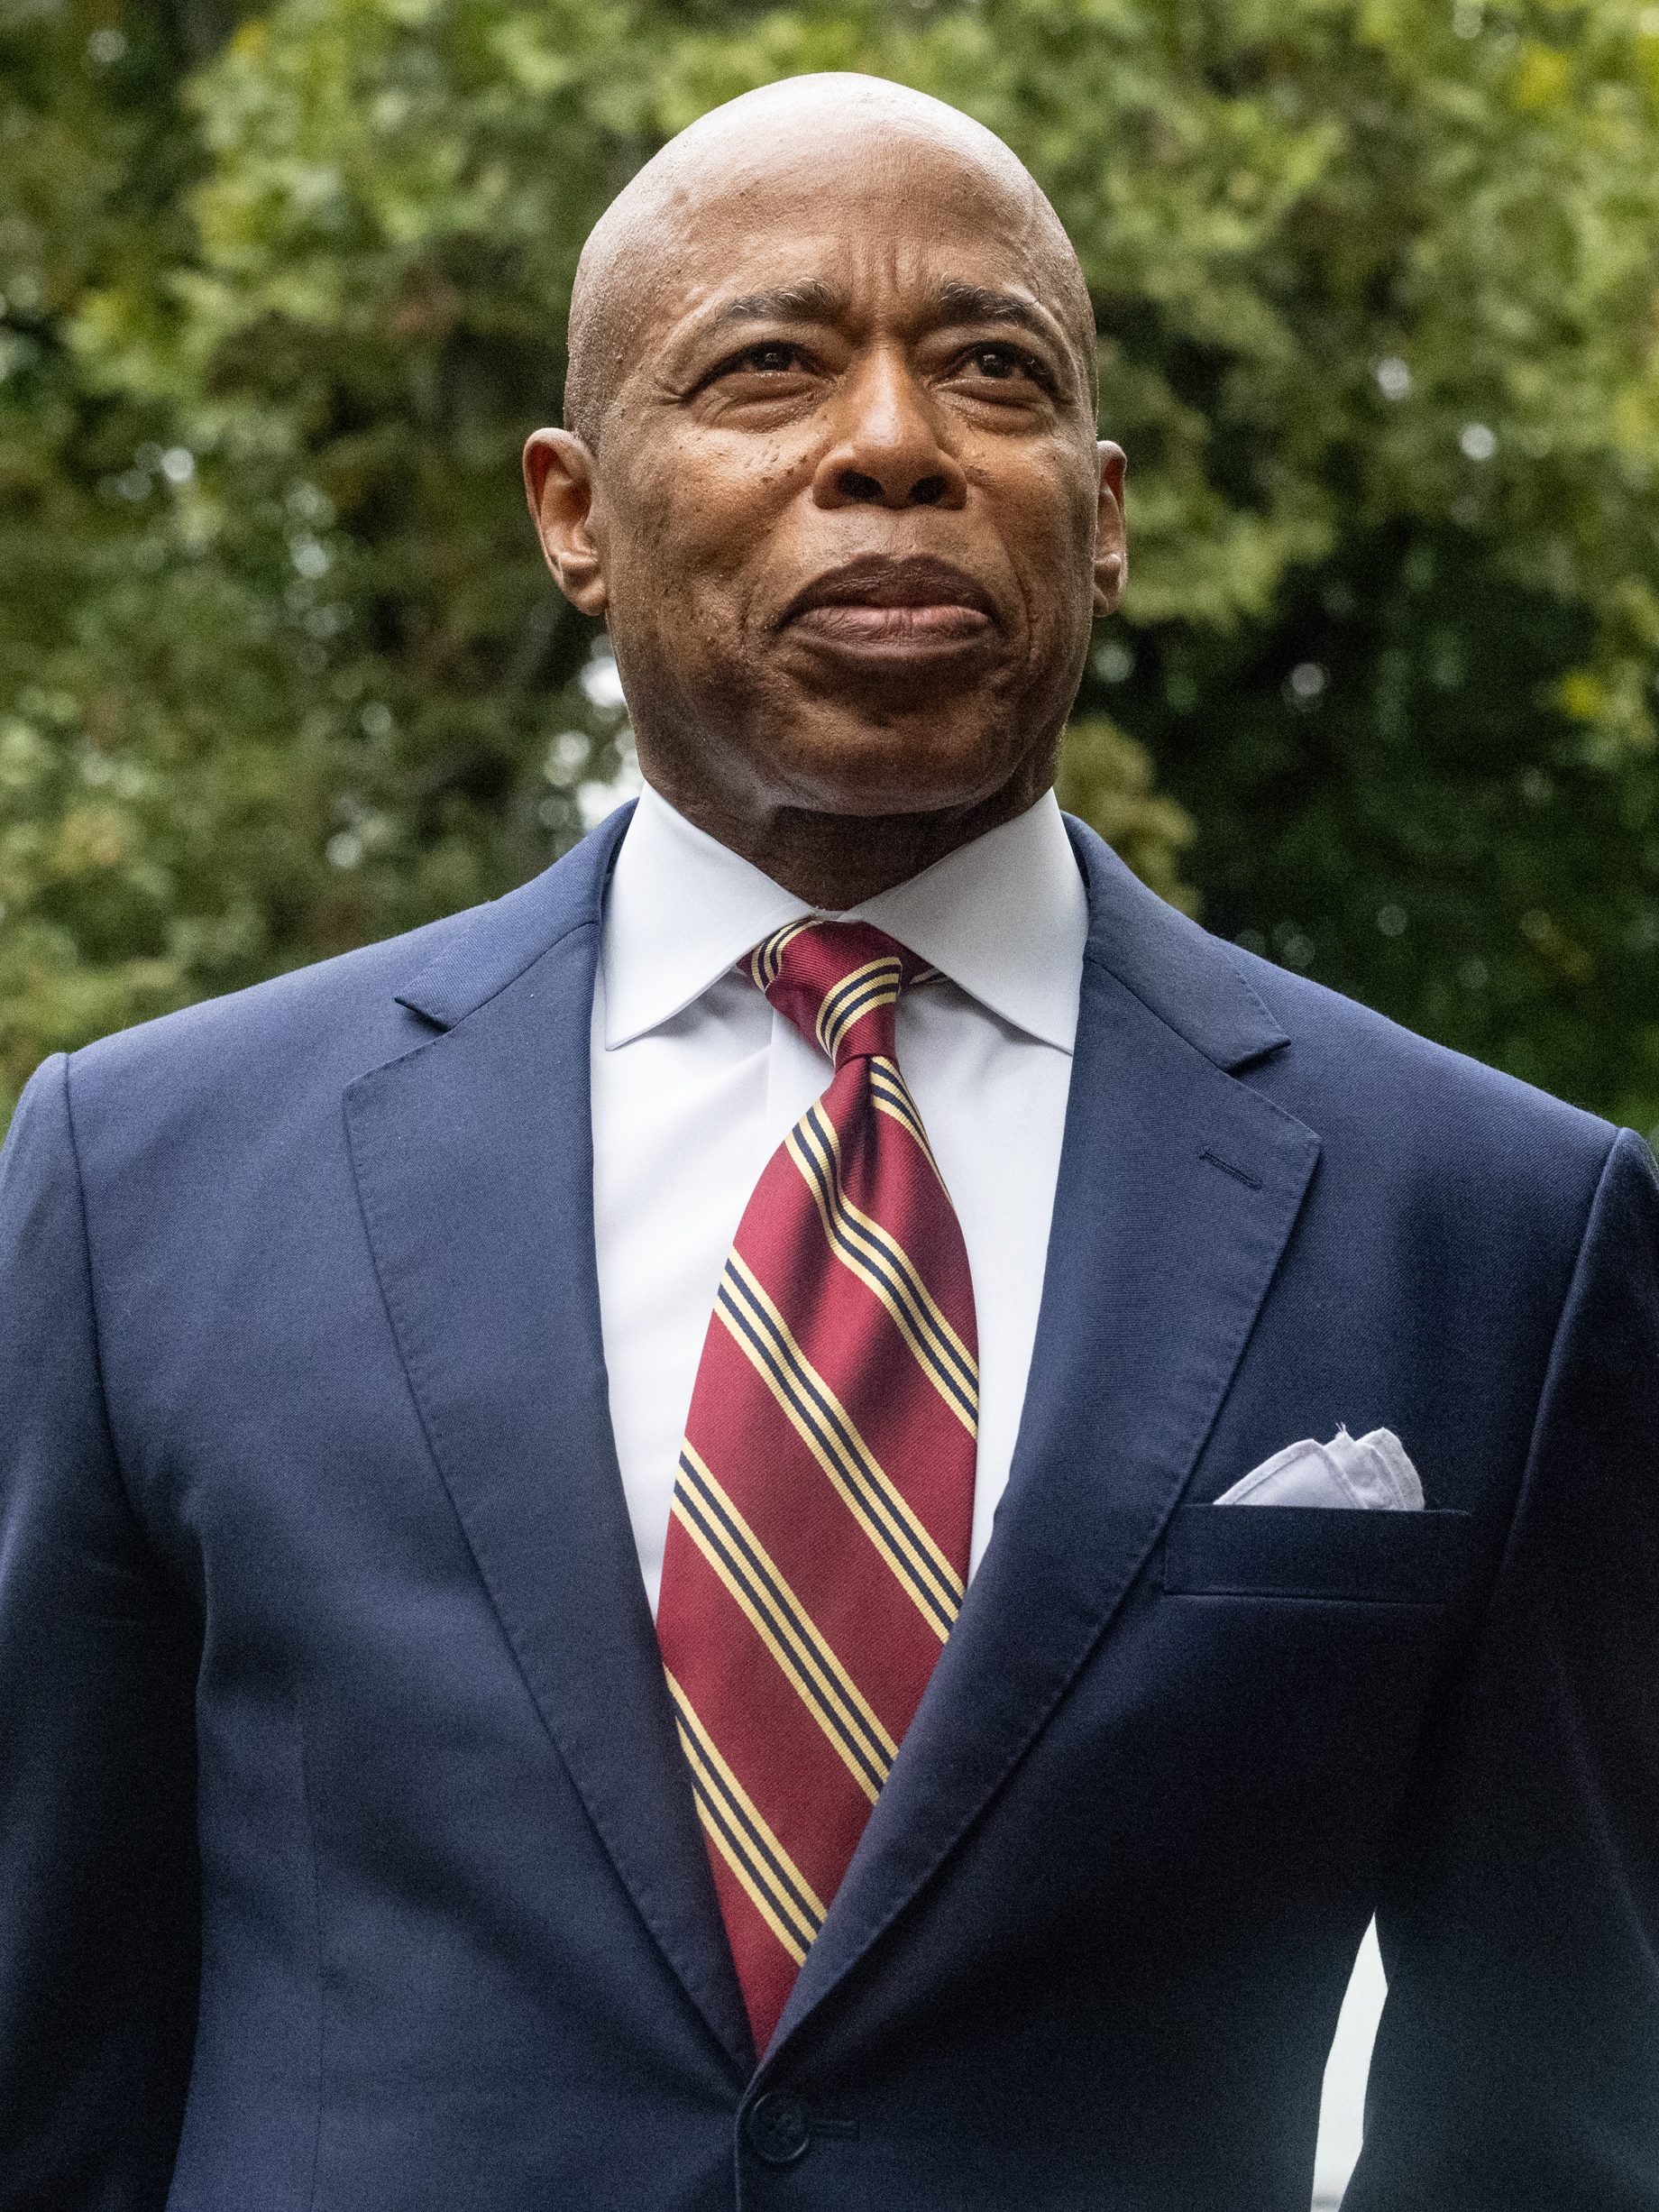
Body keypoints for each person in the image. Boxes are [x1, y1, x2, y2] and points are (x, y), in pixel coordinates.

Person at [1, 70, 1654, 2212]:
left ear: (1106, 505)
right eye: (768, 366)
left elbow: (1549, 2126)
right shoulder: (144, 1183)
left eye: (992, 371)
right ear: (572, 512)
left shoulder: (1495, 1239)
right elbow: (48, 2062)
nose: (894, 443)